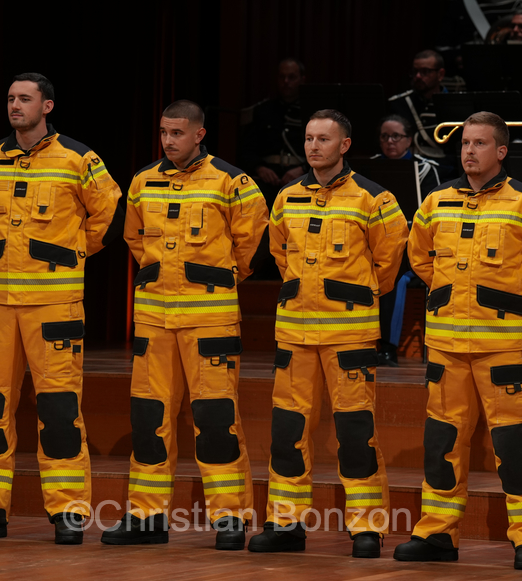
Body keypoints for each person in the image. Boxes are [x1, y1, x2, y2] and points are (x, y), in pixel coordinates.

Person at [0, 72, 123, 544]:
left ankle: (68, 511)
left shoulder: (78, 159)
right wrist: (0, 250)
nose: (15, 106)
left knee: (59, 407)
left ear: (47, 106)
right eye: (10, 99)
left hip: (54, 301)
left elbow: (108, 210)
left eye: (25, 99)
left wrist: (72, 250)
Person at [393, 112, 522, 571]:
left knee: (514, 444)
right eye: (465, 143)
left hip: (504, 346)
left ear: (501, 152)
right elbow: (421, 260)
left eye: (480, 144)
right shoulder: (435, 202)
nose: (469, 151)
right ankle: (436, 534)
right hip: (447, 346)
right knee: (441, 442)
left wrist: (509, 301)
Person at [103, 100, 269, 549]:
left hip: (210, 318)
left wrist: (217, 278)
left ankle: (231, 519)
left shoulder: (232, 182)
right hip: (155, 318)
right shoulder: (142, 181)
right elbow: (135, 238)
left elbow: (250, 242)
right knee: (148, 417)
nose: (168, 140)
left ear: (199, 134)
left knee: (216, 420)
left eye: (177, 133)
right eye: (163, 132)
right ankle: (146, 517)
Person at [249, 109, 407, 558]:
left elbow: (387, 265)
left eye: (324, 139)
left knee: (356, 433)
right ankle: (285, 523)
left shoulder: (374, 199)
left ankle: (367, 527)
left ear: (345, 145)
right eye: (309, 139)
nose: (314, 146)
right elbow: (279, 253)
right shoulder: (286, 197)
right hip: (295, 333)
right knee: (287, 431)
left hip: (349, 336)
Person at [371, 114, 442, 366]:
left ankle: (388, 347)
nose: (390, 142)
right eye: (384, 137)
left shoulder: (426, 170)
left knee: (396, 278)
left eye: (396, 137)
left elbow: (434, 216)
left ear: (409, 140)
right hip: (373, 246)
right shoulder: (368, 169)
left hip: (412, 248)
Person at [240, 58, 307, 203]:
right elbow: (246, 149)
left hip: (302, 178)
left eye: (291, 77)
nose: (286, 82)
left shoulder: (310, 113)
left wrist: (303, 169)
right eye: (282, 77)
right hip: (266, 180)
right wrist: (259, 168)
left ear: (302, 79)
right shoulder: (263, 110)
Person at [389, 49, 451, 167]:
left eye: (425, 72)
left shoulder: (453, 104)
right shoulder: (399, 103)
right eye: (415, 71)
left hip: (444, 169)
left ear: (440, 74)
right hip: (409, 166)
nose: (418, 76)